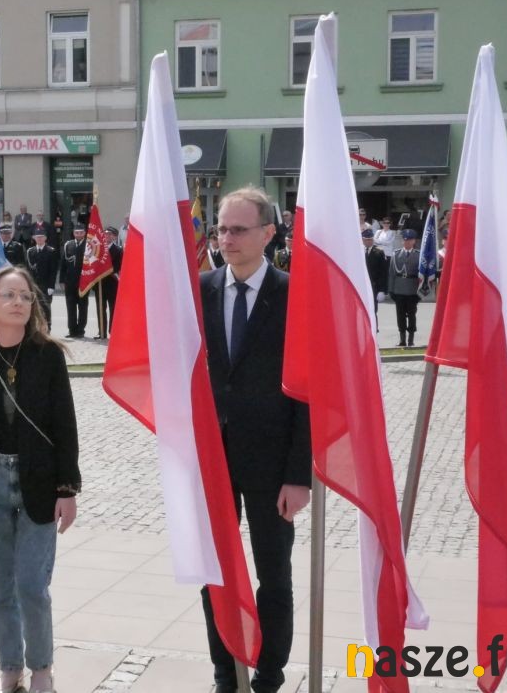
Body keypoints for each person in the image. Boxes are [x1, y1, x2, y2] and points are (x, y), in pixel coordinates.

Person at [199, 187, 311, 693]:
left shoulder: (295, 294)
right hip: (212, 460)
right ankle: (227, 672)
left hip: (272, 464)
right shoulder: (199, 289)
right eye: (221, 229)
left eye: (239, 229)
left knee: (274, 576)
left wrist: (299, 475)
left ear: (268, 233)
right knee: (215, 573)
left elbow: (308, 391)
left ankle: (268, 676)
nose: (227, 239)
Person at [0, 265, 80, 693]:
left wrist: (67, 489)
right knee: (0, 591)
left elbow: (65, 425)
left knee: (31, 585)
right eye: (8, 295)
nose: (18, 303)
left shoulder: (47, 355)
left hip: (39, 481)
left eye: (25, 296)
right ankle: (10, 669)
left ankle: (42, 669)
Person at [387, 229, 421, 347]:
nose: (407, 242)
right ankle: (402, 340)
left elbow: (421, 275)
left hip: (412, 290)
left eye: (410, 240)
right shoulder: (396, 254)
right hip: (399, 289)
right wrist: (391, 289)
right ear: (403, 241)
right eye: (405, 240)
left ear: (414, 241)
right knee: (400, 315)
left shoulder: (418, 255)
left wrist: (420, 292)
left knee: (412, 315)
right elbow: (392, 273)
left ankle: (411, 339)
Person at [58, 223, 88, 338]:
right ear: (73, 233)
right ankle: (72, 330)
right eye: (76, 232)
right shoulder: (68, 245)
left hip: (83, 281)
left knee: (82, 306)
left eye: (81, 232)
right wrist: (61, 280)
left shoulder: (88, 245)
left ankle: (81, 330)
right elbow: (63, 263)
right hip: (70, 281)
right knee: (70, 306)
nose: (79, 234)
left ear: (84, 233)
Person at [26, 232, 57, 330]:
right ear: (34, 238)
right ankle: (34, 328)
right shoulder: (30, 251)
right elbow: (28, 269)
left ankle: (47, 327)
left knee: (45, 307)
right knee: (33, 306)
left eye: (41, 237)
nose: (39, 239)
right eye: (37, 237)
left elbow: (53, 271)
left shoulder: (51, 251)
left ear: (45, 238)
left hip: (46, 284)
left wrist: (51, 286)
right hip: (34, 284)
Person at [94, 226, 122, 335]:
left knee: (113, 308)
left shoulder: (118, 250)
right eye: (105, 234)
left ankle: (113, 331)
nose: (107, 236)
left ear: (114, 237)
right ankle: (101, 331)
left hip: (112, 282)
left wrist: (106, 270)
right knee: (100, 308)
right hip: (100, 283)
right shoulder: (98, 249)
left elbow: (119, 266)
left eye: (110, 234)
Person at [362, 229, 388, 331]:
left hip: (374, 287)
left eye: (370, 239)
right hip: (362, 286)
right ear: (363, 240)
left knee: (373, 310)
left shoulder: (379, 252)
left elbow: (384, 273)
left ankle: (374, 331)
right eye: (367, 239)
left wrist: (382, 290)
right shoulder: (358, 252)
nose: (369, 241)